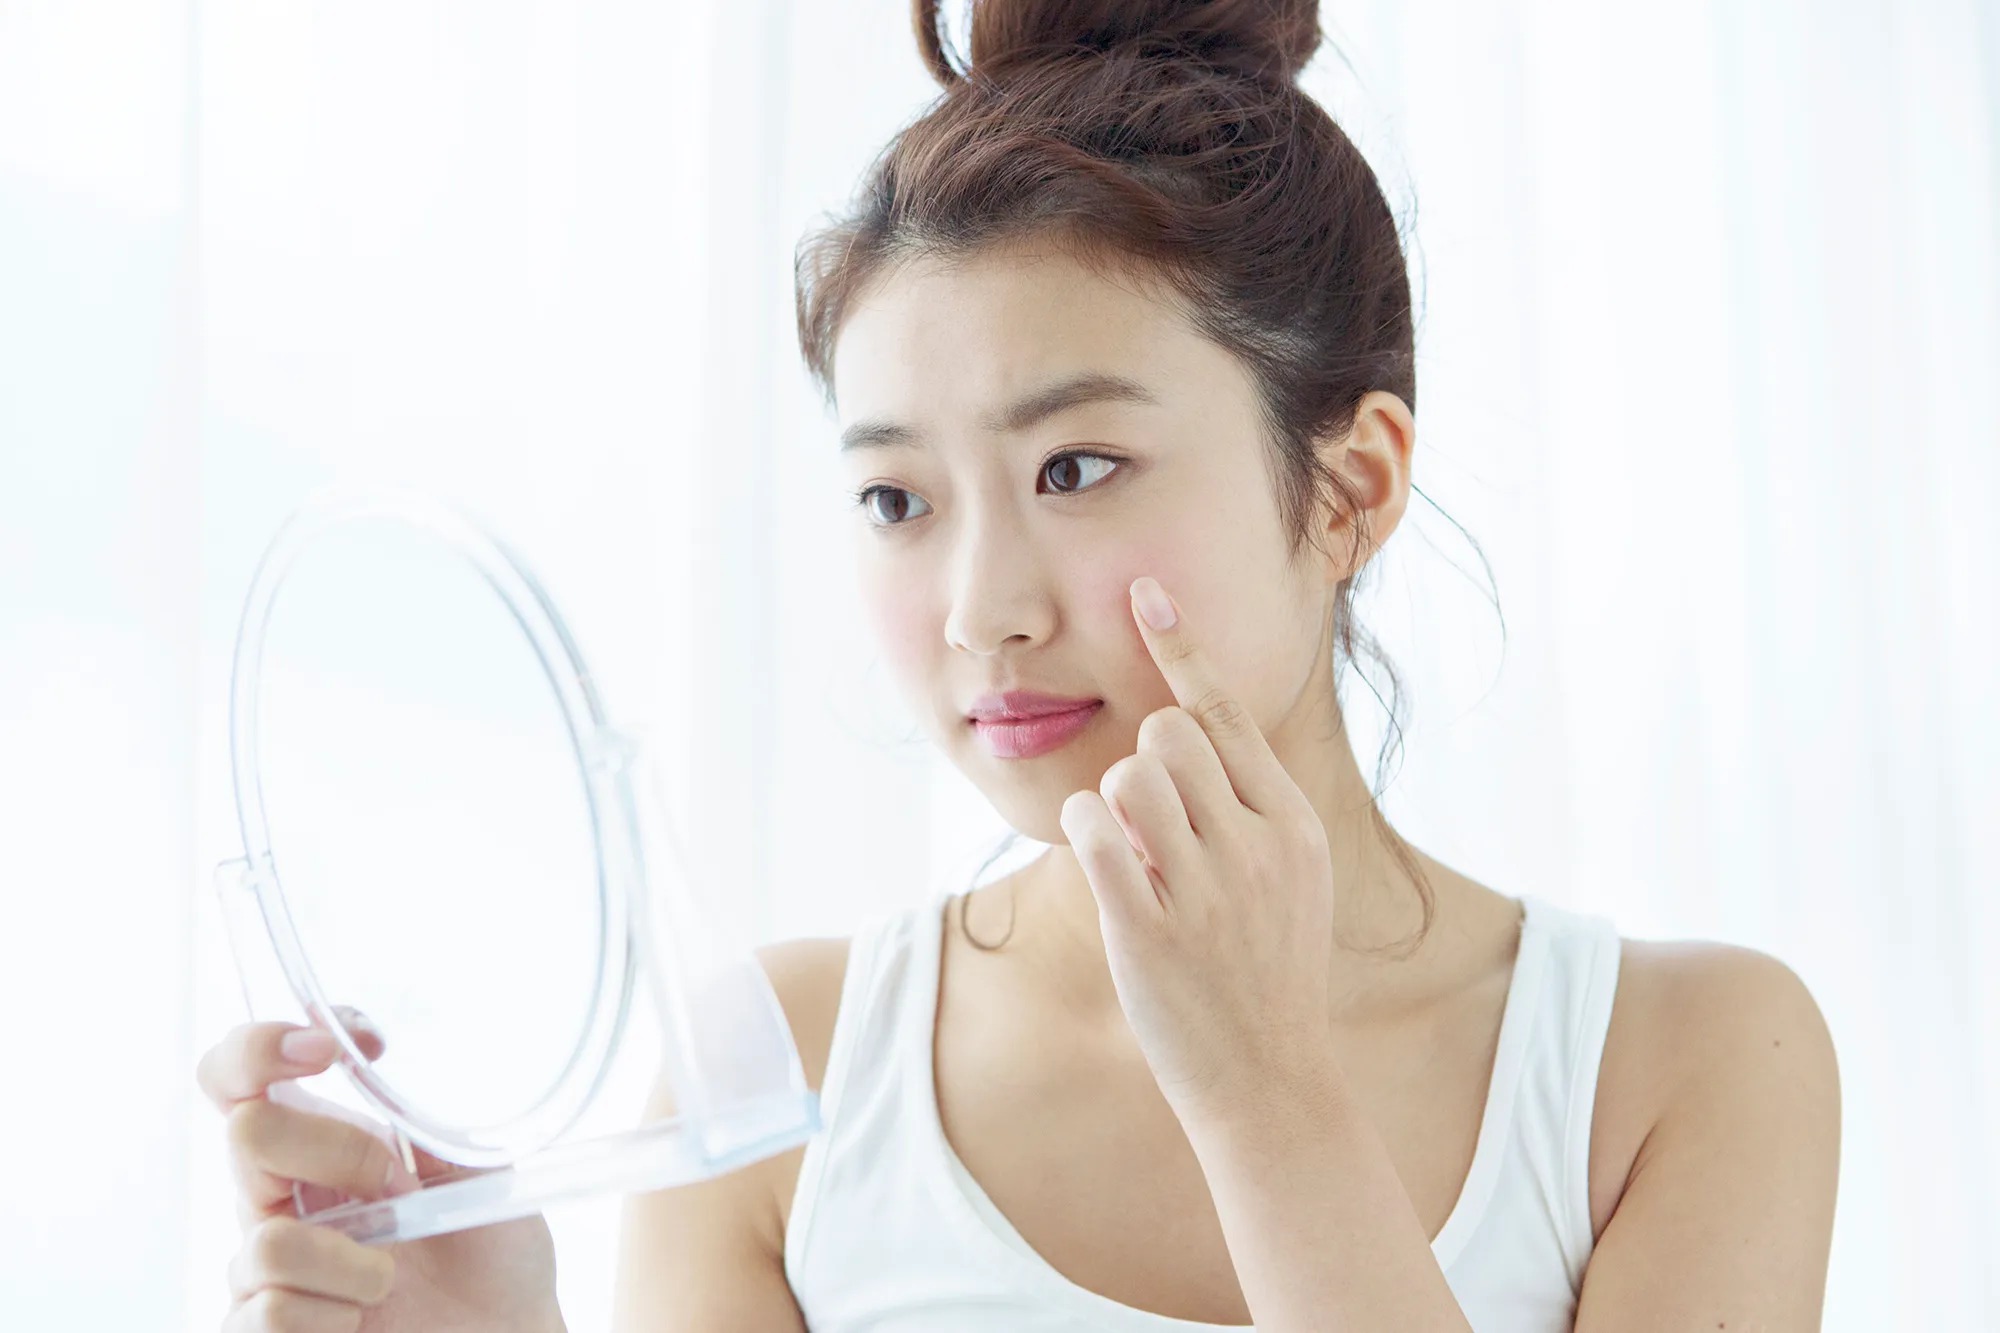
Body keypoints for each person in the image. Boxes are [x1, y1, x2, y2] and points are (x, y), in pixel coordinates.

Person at [195, 1, 1843, 1328]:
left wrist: (1265, 1101)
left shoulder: (1684, 1067)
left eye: (1074, 469)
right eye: (896, 499)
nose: (981, 606)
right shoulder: (790, 1072)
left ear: (1350, 487)